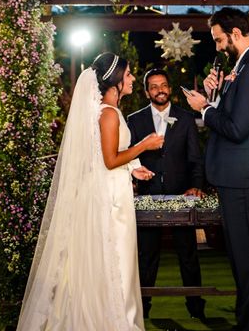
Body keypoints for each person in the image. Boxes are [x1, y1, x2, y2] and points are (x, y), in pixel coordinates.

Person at [17, 52, 164, 331]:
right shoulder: (108, 113)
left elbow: (103, 158)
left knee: (116, 262)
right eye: (130, 74)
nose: (133, 79)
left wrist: (133, 168)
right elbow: (109, 160)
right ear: (116, 81)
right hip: (108, 201)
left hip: (113, 191)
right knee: (116, 261)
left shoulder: (108, 111)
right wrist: (144, 145)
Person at [183, 8, 249, 331]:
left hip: (244, 177)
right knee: (239, 257)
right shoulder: (242, 68)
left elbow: (236, 129)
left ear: (236, 33)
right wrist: (215, 93)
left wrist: (204, 109)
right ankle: (246, 323)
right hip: (234, 177)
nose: (219, 47)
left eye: (220, 39)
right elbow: (234, 116)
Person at [127, 68, 206, 320]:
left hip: (182, 196)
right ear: (146, 91)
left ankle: (196, 308)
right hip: (148, 197)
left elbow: (195, 157)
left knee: (188, 254)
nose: (159, 90)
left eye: (163, 85)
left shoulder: (185, 118)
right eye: (153, 86)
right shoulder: (135, 120)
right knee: (146, 256)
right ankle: (143, 309)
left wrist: (196, 185)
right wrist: (133, 179)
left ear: (169, 88)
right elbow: (129, 156)